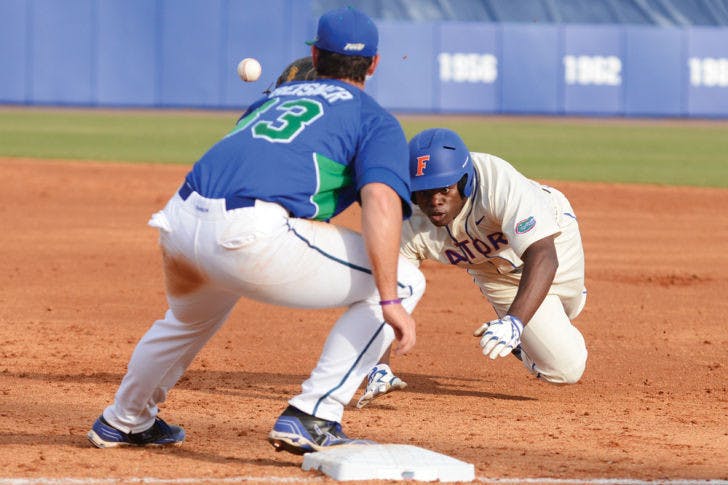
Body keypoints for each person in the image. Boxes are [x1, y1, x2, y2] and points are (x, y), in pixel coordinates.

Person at [86, 6, 425, 455]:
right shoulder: (374, 118)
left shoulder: (270, 99)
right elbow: (381, 201)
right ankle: (314, 414)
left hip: (180, 219)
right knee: (405, 279)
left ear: (315, 56)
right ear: (375, 64)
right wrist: (389, 299)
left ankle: (123, 420)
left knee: (187, 320)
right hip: (248, 234)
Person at [355, 128, 588, 408]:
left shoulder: (497, 182)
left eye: (444, 188)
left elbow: (543, 255)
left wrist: (514, 322)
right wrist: (378, 366)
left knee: (568, 308)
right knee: (566, 369)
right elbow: (385, 292)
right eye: (424, 192)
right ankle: (524, 336)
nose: (435, 201)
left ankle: (522, 325)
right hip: (492, 273)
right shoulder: (408, 220)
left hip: (553, 242)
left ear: (464, 182)